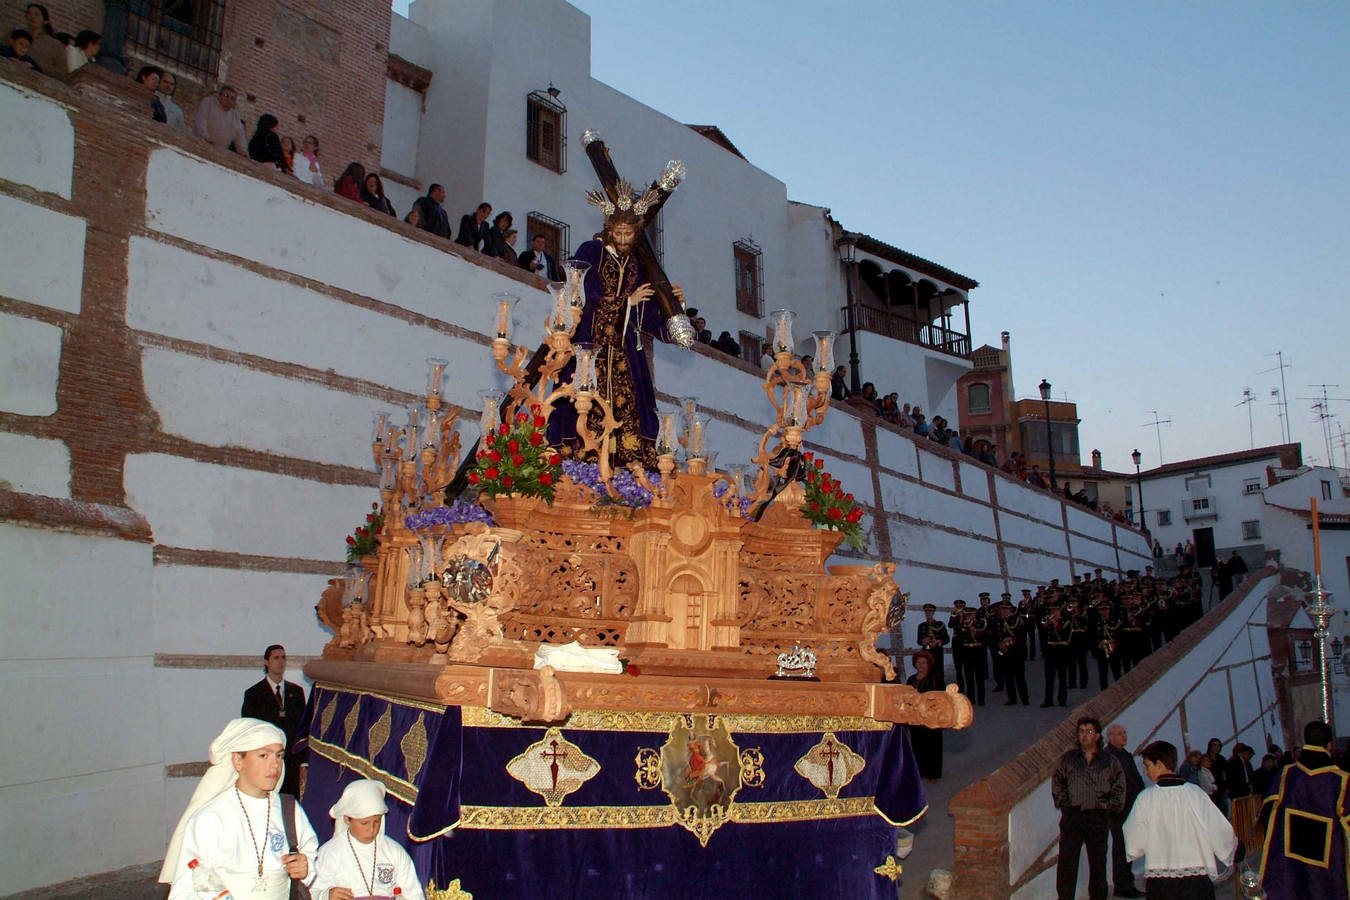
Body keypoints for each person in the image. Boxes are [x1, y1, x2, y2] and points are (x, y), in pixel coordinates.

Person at [545, 182, 690, 468]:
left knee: (632, 413)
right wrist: (626, 301)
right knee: (580, 408)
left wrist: (675, 308)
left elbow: (646, 314)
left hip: (624, 351)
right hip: (591, 346)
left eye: (630, 234)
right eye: (619, 233)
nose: (624, 239)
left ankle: (625, 471)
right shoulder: (590, 252)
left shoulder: (636, 265)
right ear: (609, 229)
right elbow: (584, 293)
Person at [161, 717, 318, 898]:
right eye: (263, 755)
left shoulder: (289, 809)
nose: (275, 764)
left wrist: (305, 867)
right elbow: (188, 886)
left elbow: (309, 852)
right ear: (237, 761)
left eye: (279, 755)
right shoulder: (211, 817)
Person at [1123, 740, 1238, 899]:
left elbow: (1133, 835)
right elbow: (1216, 827)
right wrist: (1233, 849)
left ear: (1160, 764)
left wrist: (1137, 848)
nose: (1145, 771)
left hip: (1161, 877)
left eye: (1147, 765)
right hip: (1196, 877)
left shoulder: (1146, 798)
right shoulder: (1195, 793)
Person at [1260, 720, 1350, 897]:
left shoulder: (1286, 775)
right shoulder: (1341, 780)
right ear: (1329, 745)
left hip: (1291, 862)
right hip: (1328, 865)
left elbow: (1267, 815)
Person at [311, 779, 425, 900]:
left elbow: (414, 894)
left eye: (377, 822)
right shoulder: (330, 852)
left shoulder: (394, 851)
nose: (372, 829)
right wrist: (325, 896)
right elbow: (311, 892)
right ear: (347, 819)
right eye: (364, 823)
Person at [1052, 716, 1125, 900]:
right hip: (1073, 816)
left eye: (1089, 732)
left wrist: (1109, 808)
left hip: (1098, 816)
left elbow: (1119, 786)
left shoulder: (1109, 761)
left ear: (1098, 736)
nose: (1084, 736)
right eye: (1081, 732)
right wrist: (1066, 805)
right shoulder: (1068, 759)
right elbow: (1057, 782)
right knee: (1067, 862)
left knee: (1098, 863)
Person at [240, 644, 308, 796]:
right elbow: (249, 729)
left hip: (291, 761)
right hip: (266, 760)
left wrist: (303, 761)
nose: (280, 662)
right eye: (276, 658)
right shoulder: (254, 694)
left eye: (283, 658)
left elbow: (303, 728)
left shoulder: (296, 692)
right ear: (266, 662)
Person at [1104, 724, 1145, 897]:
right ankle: (1121, 884)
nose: (1124, 736)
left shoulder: (1125, 755)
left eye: (1125, 733)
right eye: (1120, 734)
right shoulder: (1107, 756)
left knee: (1129, 846)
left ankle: (1128, 882)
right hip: (1118, 811)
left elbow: (1134, 778)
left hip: (1131, 807)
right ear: (1110, 737)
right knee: (1121, 847)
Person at [905, 651, 944, 781]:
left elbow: (940, 698)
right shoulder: (911, 679)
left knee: (933, 747)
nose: (920, 665)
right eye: (918, 662)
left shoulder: (935, 678)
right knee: (918, 746)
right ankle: (920, 772)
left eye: (923, 663)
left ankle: (933, 774)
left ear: (928, 664)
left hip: (930, 718)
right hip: (915, 719)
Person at [195, 85, 248, 155]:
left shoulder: (235, 116)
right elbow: (201, 122)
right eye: (226, 96)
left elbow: (240, 136)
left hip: (218, 152)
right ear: (219, 96)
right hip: (199, 145)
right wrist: (205, 137)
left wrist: (243, 151)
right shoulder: (208, 103)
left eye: (232, 98)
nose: (229, 100)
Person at [916, 602, 950, 684]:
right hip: (926, 652)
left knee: (938, 673)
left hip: (937, 652)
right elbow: (919, 640)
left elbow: (947, 639)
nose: (928, 614)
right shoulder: (921, 626)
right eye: (926, 612)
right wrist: (923, 641)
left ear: (933, 613)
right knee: (926, 672)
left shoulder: (940, 624)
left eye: (930, 612)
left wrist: (939, 641)